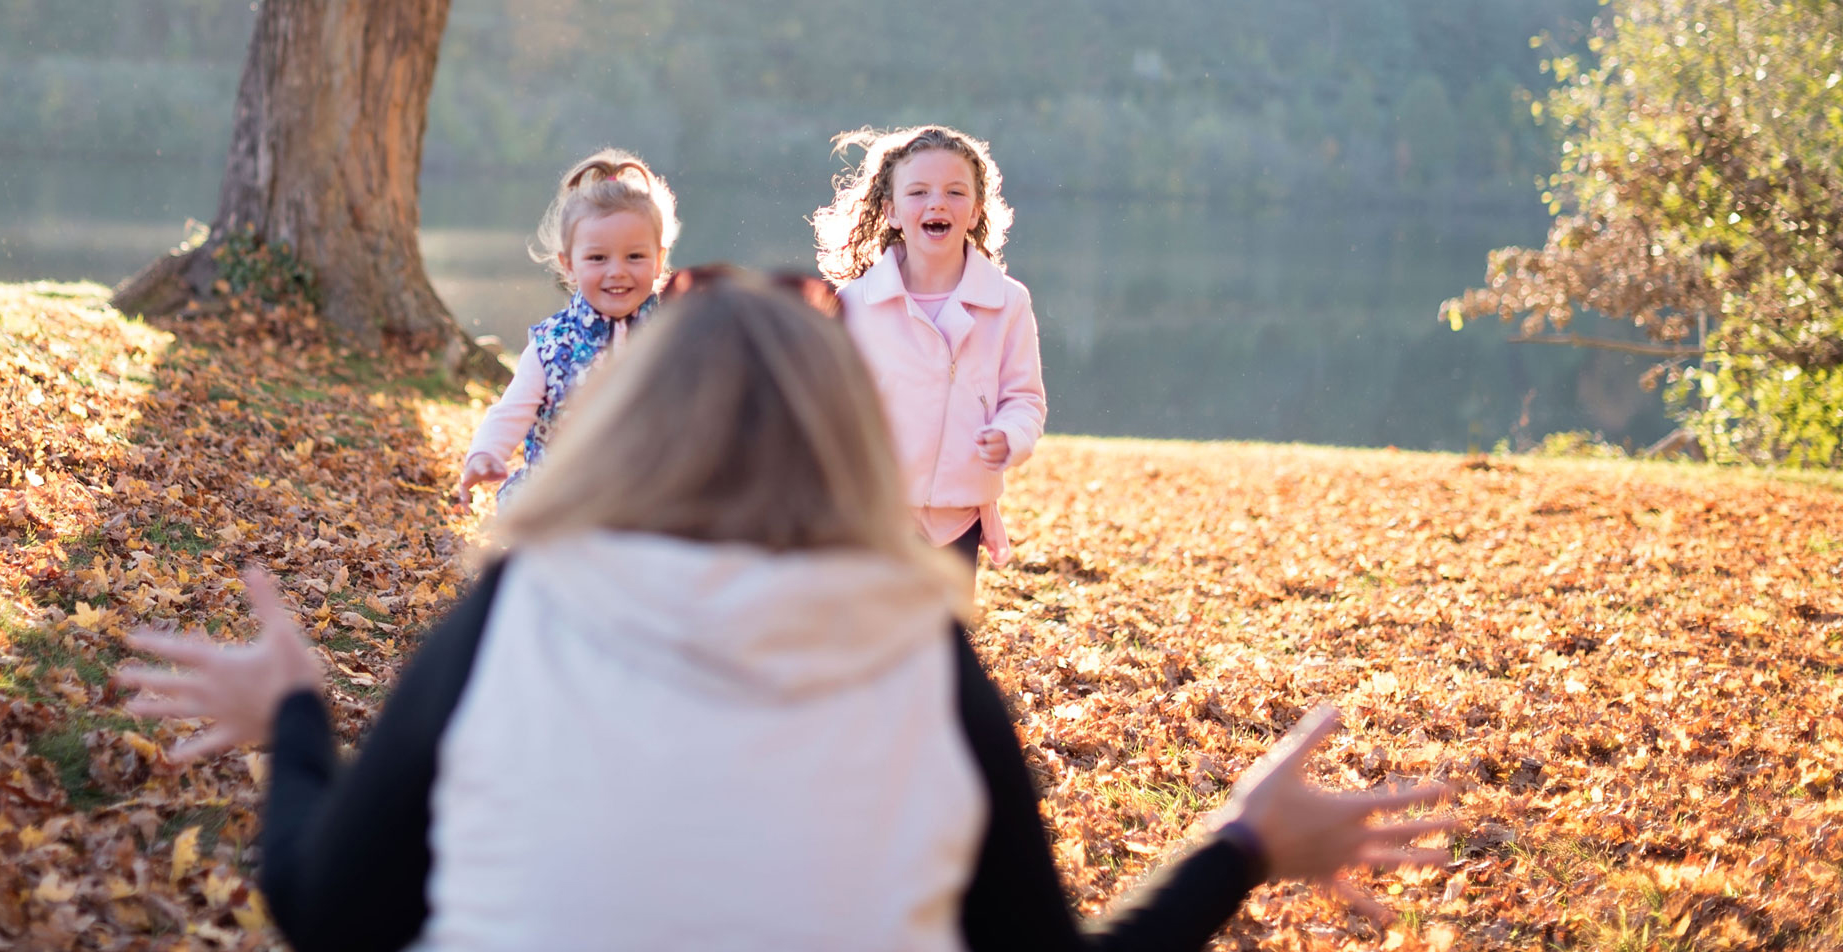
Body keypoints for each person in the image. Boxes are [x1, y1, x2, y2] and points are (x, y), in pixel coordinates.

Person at [116, 274, 1454, 952]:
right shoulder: (919, 656)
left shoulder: (522, 612)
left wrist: (292, 718)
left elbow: (331, 915)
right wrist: (1241, 847)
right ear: (846, 442)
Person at [814, 125, 1046, 573]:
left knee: (944, 638)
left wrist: (1010, 436)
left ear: (977, 212)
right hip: (877, 509)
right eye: (918, 192)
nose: (937, 203)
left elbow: (1024, 400)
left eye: (955, 193)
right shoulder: (855, 304)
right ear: (892, 211)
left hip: (960, 515)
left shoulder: (1007, 302)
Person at [455, 150, 678, 503]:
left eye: (634, 256)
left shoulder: (675, 334)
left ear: (658, 260)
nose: (617, 270)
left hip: (647, 495)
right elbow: (512, 410)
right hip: (561, 496)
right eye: (597, 258)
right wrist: (485, 454)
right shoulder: (553, 343)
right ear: (569, 265)